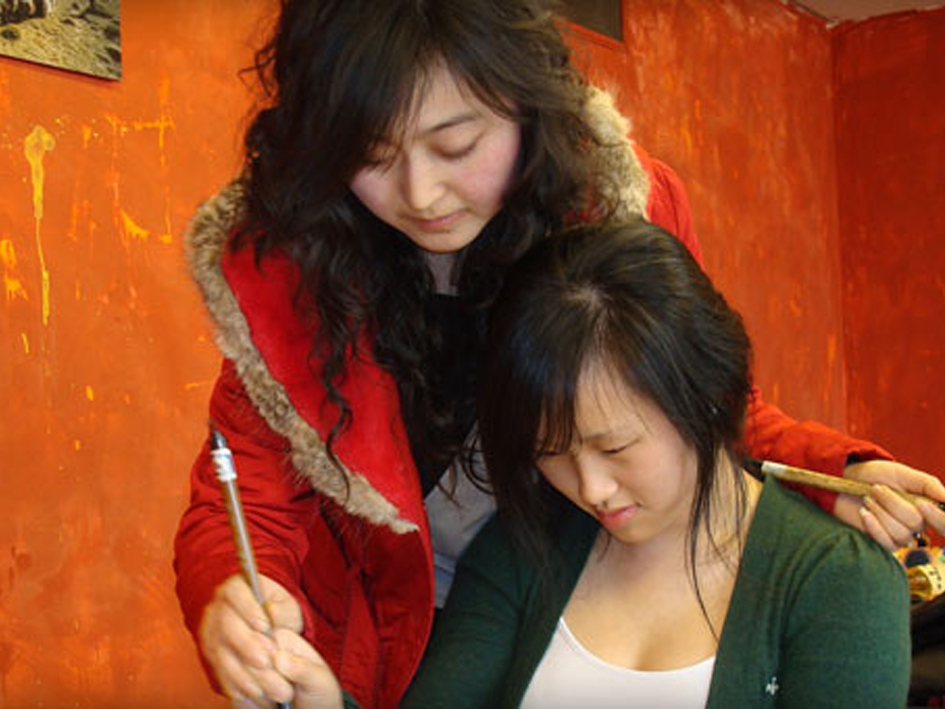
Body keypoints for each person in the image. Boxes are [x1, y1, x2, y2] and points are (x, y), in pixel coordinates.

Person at [172, 0, 944, 706]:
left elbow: (687, 395)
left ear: (526, 105)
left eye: (456, 145)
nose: (421, 194)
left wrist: (825, 469)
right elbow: (246, 491)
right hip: (394, 627)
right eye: (370, 155)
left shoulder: (613, 207)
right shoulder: (289, 267)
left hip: (562, 574)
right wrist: (235, 594)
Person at [400, 220, 912, 707]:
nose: (591, 488)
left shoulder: (839, 581)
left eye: (614, 448)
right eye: (550, 451)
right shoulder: (525, 547)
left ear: (708, 398)